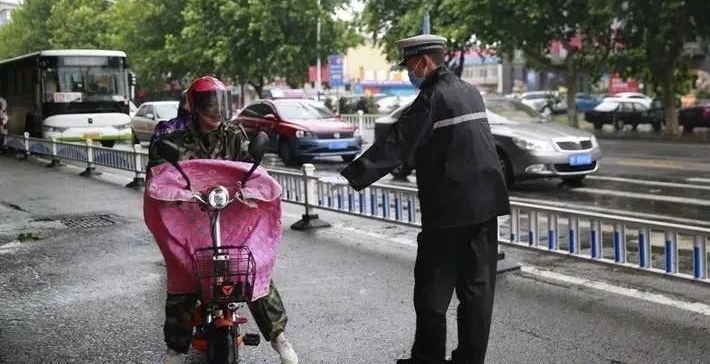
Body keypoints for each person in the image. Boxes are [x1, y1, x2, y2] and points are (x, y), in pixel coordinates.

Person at [340, 34, 511, 364]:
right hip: (486, 206)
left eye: (408, 66)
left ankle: (427, 359)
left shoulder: (431, 97)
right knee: (477, 291)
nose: (408, 73)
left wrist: (352, 176)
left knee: (432, 292)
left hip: (449, 213)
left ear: (424, 62)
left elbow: (396, 144)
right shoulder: (469, 91)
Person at [148, 76, 298, 364]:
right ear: (195, 106)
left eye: (220, 105)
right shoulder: (178, 140)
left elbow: (250, 169)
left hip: (232, 217)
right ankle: (176, 348)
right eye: (209, 105)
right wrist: (177, 192)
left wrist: (250, 190)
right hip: (191, 221)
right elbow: (161, 174)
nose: (216, 112)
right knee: (183, 274)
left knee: (253, 268)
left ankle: (279, 337)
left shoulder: (235, 134)